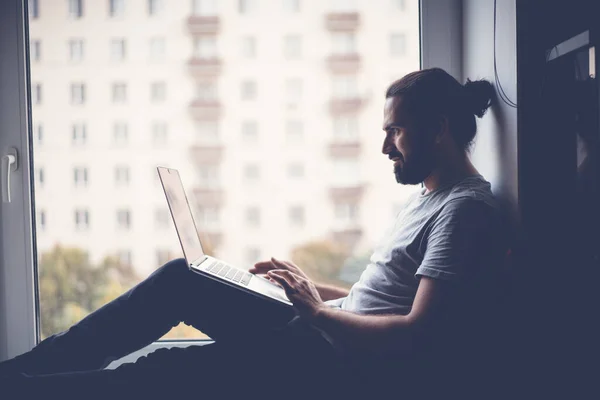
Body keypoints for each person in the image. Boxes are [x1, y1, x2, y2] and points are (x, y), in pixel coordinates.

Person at [0, 68, 507, 399]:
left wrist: (315, 311)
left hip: (333, 364)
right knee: (185, 278)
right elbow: (380, 300)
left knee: (158, 372)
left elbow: (417, 333)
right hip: (324, 329)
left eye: (394, 131)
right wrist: (308, 289)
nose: (385, 148)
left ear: (439, 129)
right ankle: (19, 373)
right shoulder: (427, 198)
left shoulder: (463, 211)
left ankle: (21, 391)